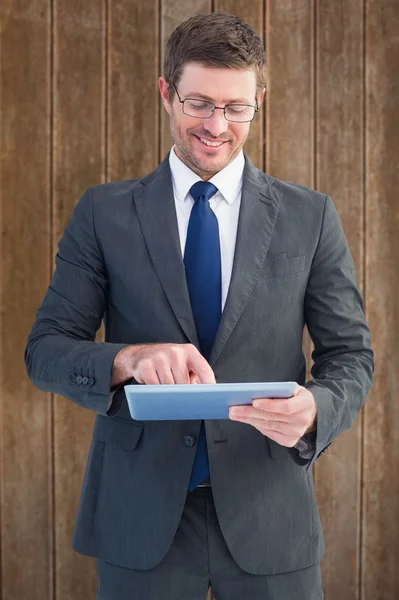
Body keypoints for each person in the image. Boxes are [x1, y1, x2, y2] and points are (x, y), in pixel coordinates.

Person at [25, 12, 374, 600]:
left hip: (270, 515)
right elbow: (46, 350)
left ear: (258, 99)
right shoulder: (103, 215)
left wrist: (316, 407)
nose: (217, 125)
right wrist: (128, 359)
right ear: (166, 92)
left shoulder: (310, 217)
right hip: (140, 516)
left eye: (237, 107)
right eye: (199, 103)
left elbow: (351, 356)